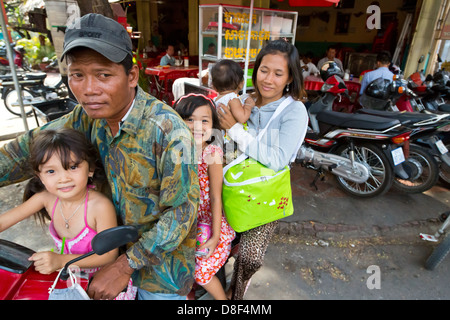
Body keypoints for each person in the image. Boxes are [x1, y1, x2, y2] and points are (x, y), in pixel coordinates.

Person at [0, 13, 199, 300]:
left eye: (103, 75)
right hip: (99, 258)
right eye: (78, 75)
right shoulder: (85, 117)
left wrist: (123, 266)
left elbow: (182, 213)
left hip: (159, 273)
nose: (89, 89)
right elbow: (23, 151)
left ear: (131, 76)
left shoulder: (171, 133)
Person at [217, 40, 309, 300]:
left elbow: (276, 159)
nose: (268, 79)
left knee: (250, 257)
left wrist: (234, 129)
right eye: (263, 70)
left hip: (262, 195)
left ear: (290, 77)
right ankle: (212, 286)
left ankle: (236, 294)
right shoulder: (243, 98)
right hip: (228, 185)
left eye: (278, 74)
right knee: (215, 247)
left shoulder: (294, 110)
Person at [0, 128, 136, 300]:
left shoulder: (99, 206)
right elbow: (4, 221)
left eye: (72, 167)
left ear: (90, 169)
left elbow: (109, 255)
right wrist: (60, 262)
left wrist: (60, 260)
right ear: (39, 176)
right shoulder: (47, 198)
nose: (63, 178)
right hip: (68, 278)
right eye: (51, 171)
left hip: (101, 286)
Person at [173, 93, 235, 300]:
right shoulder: (176, 151)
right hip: (188, 223)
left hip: (213, 223)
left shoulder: (212, 153)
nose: (196, 126)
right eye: (189, 119)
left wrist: (216, 236)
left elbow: (216, 198)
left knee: (201, 272)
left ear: (213, 126)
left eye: (204, 120)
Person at [210, 59, 254, 125]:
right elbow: (242, 118)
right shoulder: (232, 99)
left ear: (214, 87)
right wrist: (248, 106)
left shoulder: (216, 100)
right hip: (231, 134)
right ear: (241, 84)